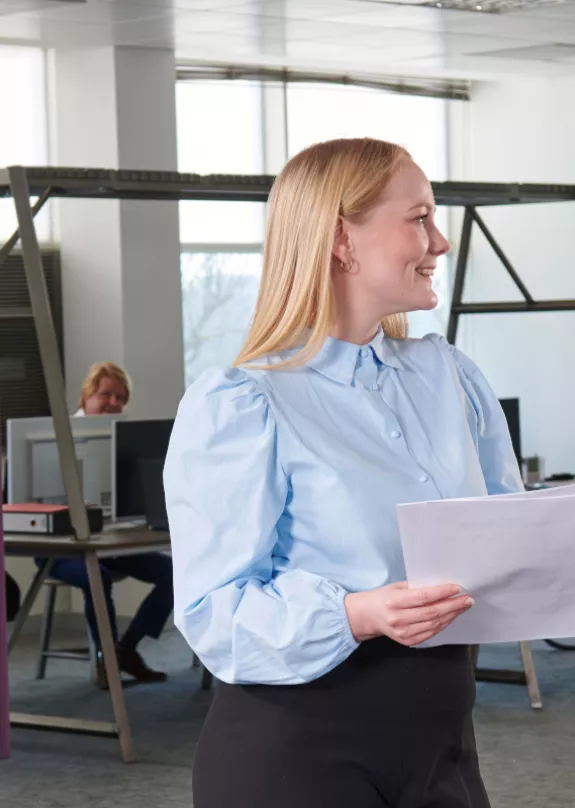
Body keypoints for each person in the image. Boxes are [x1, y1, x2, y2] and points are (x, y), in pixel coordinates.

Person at [164, 138, 523, 807]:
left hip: (443, 744)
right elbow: (213, 613)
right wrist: (357, 613)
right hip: (296, 751)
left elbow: (507, 539)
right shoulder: (242, 403)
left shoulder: (450, 378)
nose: (439, 242)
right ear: (339, 238)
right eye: (418, 218)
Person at [39, 361, 173, 687]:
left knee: (175, 574)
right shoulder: (55, 438)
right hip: (59, 549)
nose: (113, 403)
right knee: (96, 579)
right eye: (105, 395)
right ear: (86, 398)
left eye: (120, 397)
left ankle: (124, 650)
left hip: (110, 542)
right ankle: (107, 662)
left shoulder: (121, 440)